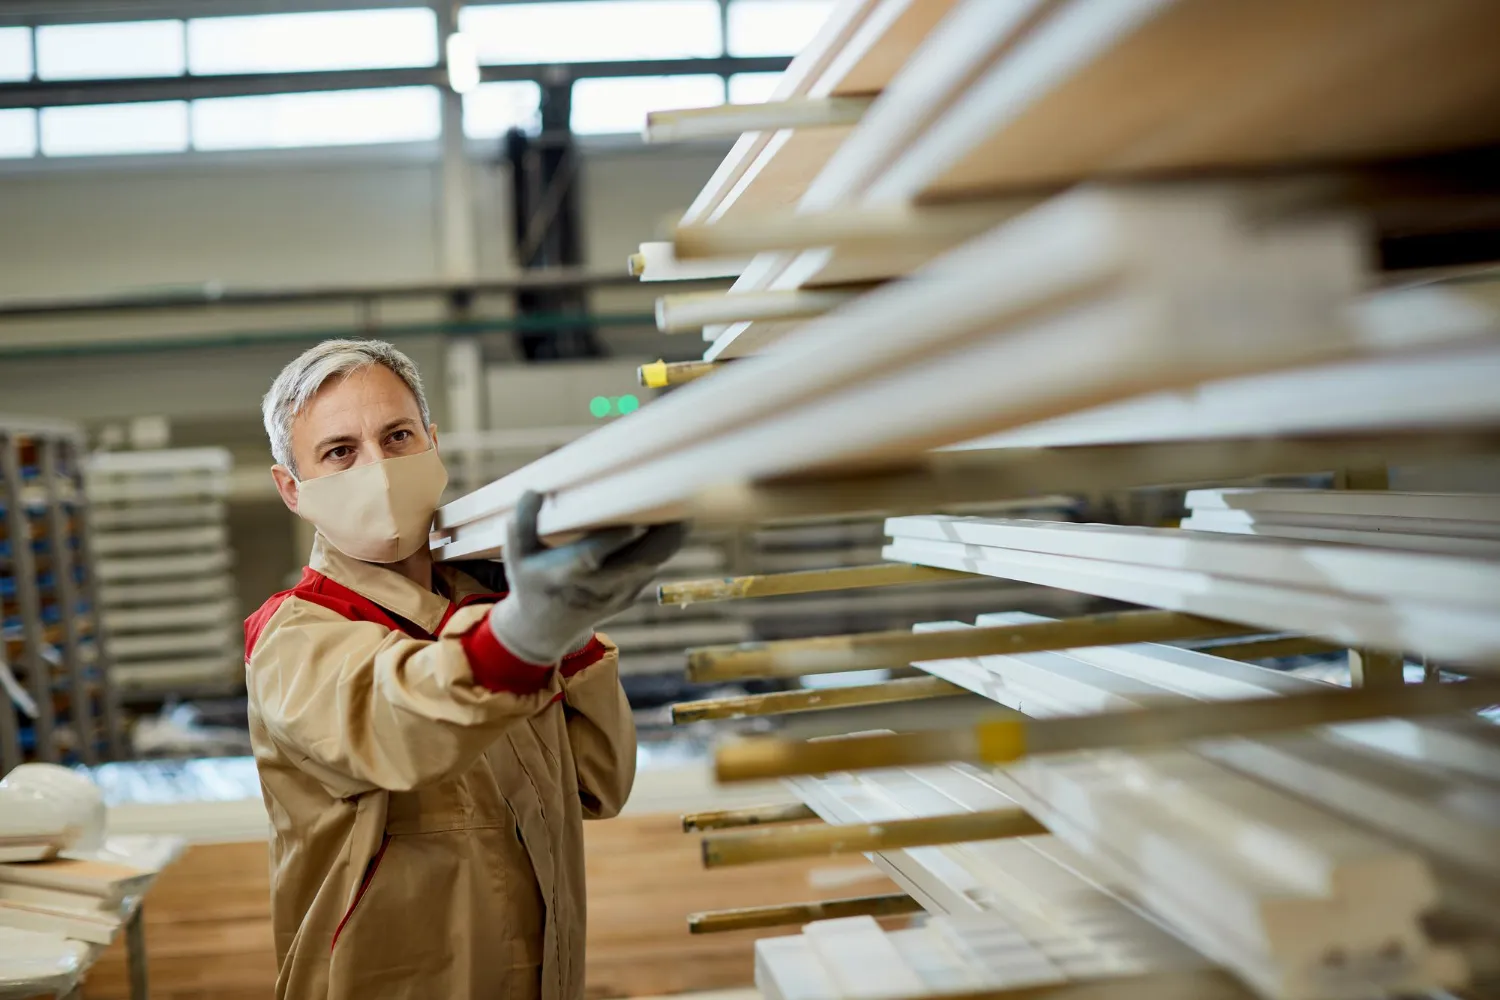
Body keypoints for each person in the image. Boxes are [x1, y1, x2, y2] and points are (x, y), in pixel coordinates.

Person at [244, 339, 684, 1000]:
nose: (378, 469)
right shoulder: (295, 634)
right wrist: (521, 635)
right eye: (340, 453)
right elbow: (393, 714)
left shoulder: (487, 603)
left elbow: (598, 784)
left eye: (397, 437)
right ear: (291, 488)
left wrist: (566, 630)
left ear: (432, 442)